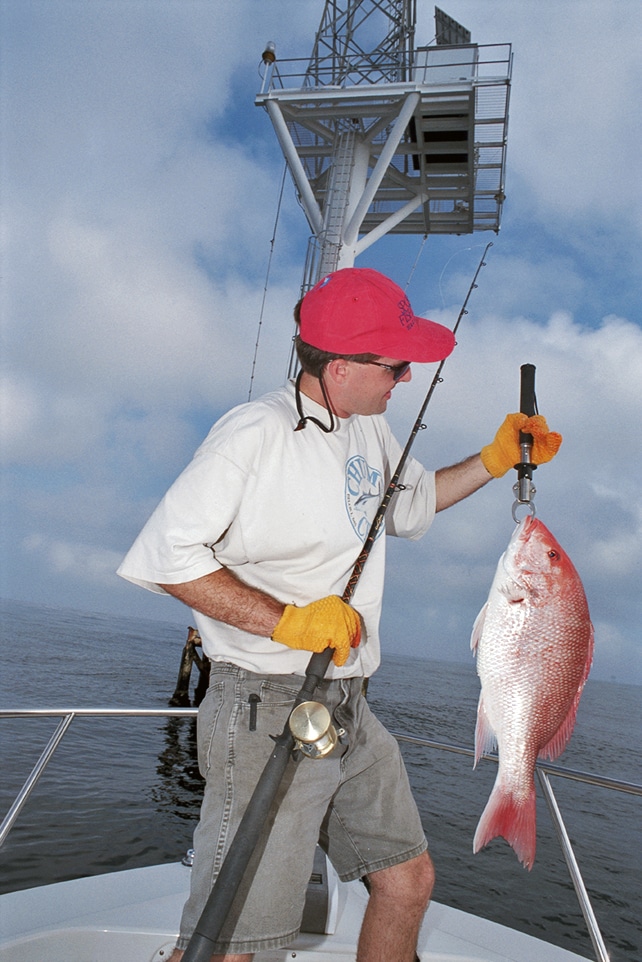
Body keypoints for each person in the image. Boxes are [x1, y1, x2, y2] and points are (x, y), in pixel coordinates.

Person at [117, 267, 562, 962]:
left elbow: (414, 507)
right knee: (233, 941)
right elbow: (166, 554)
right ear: (345, 366)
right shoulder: (253, 435)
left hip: (346, 703)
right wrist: (287, 620)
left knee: (409, 883)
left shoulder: (368, 429)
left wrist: (496, 460)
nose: (407, 378)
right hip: (265, 711)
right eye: (397, 365)